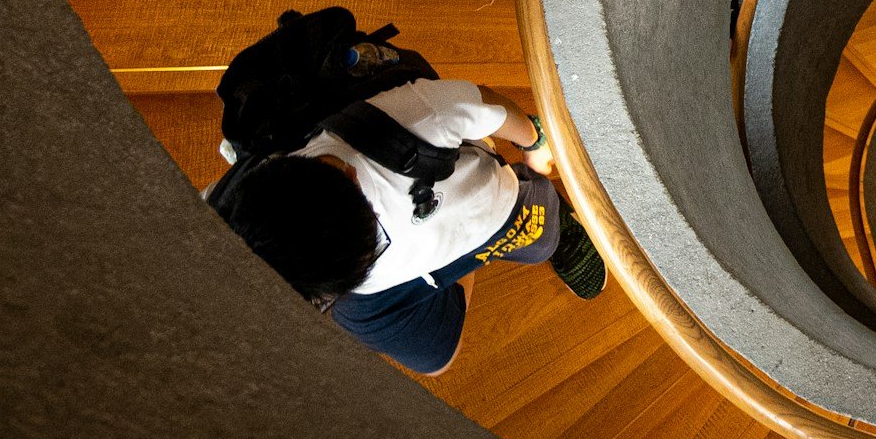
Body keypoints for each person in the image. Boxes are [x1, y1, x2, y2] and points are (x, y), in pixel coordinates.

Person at [215, 77, 606, 375]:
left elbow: (479, 102)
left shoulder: (403, 124)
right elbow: (478, 103)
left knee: (535, 237)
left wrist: (533, 142)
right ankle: (525, 238)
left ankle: (547, 226)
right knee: (439, 354)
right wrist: (532, 141)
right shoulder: (238, 210)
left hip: (490, 209)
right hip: (475, 214)